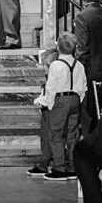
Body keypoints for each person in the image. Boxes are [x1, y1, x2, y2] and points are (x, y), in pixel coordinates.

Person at [38, 33, 87, 181]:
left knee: (56, 133)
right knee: (72, 134)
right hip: (75, 99)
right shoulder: (79, 65)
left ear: (58, 48)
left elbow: (51, 86)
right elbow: (83, 86)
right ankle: (72, 166)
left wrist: (47, 102)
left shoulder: (56, 65)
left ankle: (59, 168)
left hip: (60, 99)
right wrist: (79, 100)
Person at [27, 47, 60, 176]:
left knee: (50, 137)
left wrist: (40, 101)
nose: (44, 69)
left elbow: (51, 95)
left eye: (47, 66)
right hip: (48, 109)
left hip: (53, 109)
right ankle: (44, 162)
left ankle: (51, 163)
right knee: (45, 137)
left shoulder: (55, 78)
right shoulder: (48, 79)